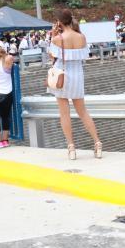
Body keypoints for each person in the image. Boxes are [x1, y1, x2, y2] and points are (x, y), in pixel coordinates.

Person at [47, 10, 102, 160]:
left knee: (64, 113)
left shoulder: (57, 39)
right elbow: (84, 56)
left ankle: (71, 148)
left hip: (62, 77)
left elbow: (52, 56)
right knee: (83, 112)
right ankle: (97, 143)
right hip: (78, 76)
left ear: (59, 22)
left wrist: (53, 35)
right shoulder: (81, 37)